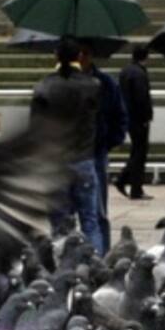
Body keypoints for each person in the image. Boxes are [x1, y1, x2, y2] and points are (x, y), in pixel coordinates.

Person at [31, 37, 105, 255]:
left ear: (55, 56)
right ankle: (95, 266)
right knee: (90, 222)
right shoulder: (92, 85)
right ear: (79, 56)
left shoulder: (44, 87)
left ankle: (64, 264)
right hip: (83, 157)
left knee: (60, 225)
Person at [78, 41, 128, 250]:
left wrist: (106, 143)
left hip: (95, 154)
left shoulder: (105, 83)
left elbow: (120, 116)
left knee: (97, 214)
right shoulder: (61, 82)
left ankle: (101, 258)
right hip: (70, 154)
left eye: (84, 54)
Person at [116, 43, 155, 200]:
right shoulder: (139, 73)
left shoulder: (126, 71)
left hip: (128, 116)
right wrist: (146, 116)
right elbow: (141, 98)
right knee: (140, 152)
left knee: (136, 150)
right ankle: (130, 184)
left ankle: (128, 183)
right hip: (138, 118)